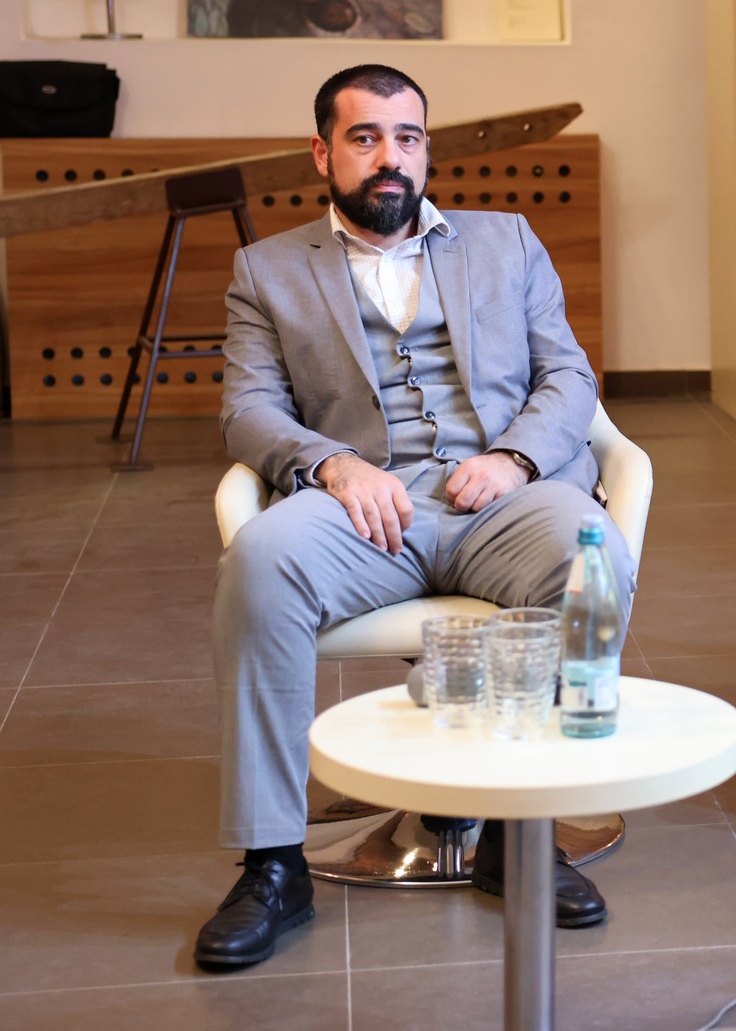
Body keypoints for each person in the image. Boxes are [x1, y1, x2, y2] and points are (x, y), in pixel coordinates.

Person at [197, 64, 632, 969]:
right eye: (364, 138)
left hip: (503, 497)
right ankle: (272, 863)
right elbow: (248, 408)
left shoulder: (507, 241)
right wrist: (333, 462)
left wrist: (513, 458)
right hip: (361, 509)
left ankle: (520, 834)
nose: (389, 157)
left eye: (408, 137)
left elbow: (568, 375)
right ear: (323, 154)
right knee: (260, 562)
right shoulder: (267, 269)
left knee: (585, 555)